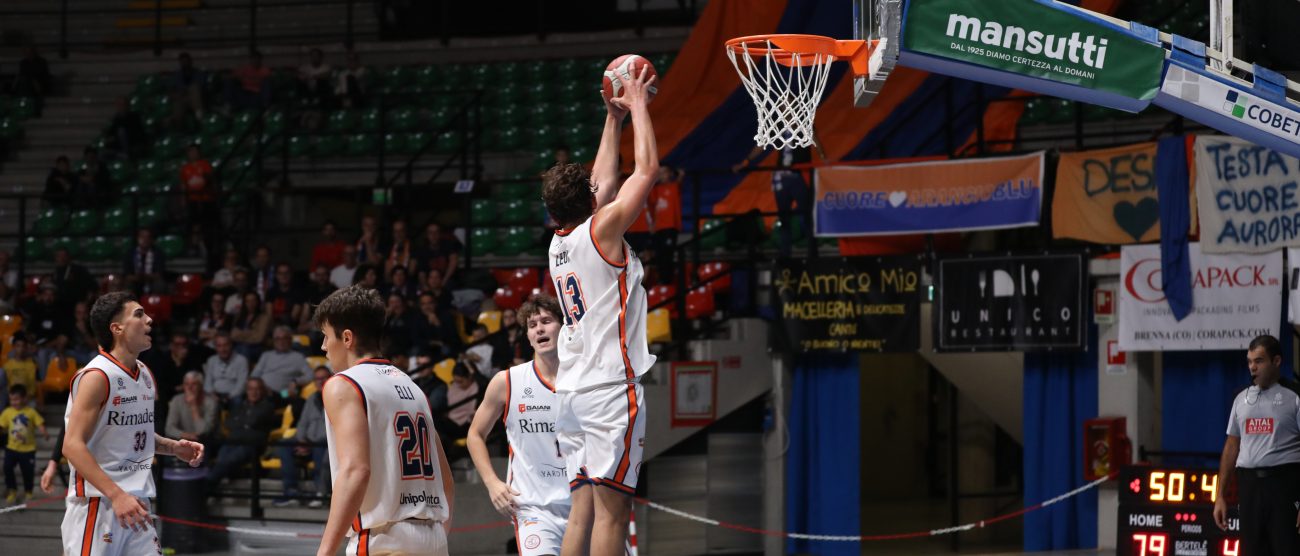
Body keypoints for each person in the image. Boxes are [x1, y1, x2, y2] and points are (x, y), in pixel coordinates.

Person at [541, 64, 657, 555]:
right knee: (613, 515)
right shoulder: (601, 231)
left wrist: (612, 120)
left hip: (571, 392)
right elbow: (645, 171)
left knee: (581, 514)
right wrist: (639, 106)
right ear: (590, 201)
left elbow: (602, 184)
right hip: (610, 390)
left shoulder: (558, 243)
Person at [59, 292, 204, 555]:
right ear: (117, 329)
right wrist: (116, 495)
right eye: (138, 314)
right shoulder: (97, 376)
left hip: (136, 503)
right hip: (99, 503)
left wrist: (173, 447)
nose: (149, 320)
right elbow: (71, 445)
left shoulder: (145, 374)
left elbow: (135, 434)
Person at [314, 285, 453, 555]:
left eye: (325, 336)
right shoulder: (413, 387)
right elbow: (446, 479)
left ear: (346, 338)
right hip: (433, 535)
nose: (322, 347)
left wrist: (325, 551)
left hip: (383, 538)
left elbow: (356, 471)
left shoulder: (343, 384)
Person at [467, 295, 569, 554]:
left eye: (547, 321)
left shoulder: (586, 378)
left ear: (564, 327)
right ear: (527, 335)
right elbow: (475, 434)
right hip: (535, 510)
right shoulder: (508, 381)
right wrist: (492, 483)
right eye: (533, 324)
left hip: (586, 502)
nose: (539, 329)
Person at [1214, 334, 1300, 555]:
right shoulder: (1240, 399)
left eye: (1259, 361)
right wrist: (1220, 496)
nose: (1252, 367)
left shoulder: (1295, 396)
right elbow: (1232, 446)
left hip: (1284, 486)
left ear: (1277, 361)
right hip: (1250, 487)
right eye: (1250, 361)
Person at [732, 130, 825, 256]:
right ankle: (786, 256)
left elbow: (815, 138)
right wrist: (746, 162)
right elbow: (762, 143)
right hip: (782, 177)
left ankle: (812, 256)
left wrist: (824, 158)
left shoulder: (803, 120)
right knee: (784, 218)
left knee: (806, 217)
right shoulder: (778, 124)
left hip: (799, 175)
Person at [273, 366, 332, 508]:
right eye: (317, 379)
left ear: (330, 378)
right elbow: (302, 423)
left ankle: (321, 493)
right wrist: (302, 440)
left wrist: (310, 443)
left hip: (325, 441)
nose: (320, 381)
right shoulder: (311, 398)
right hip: (309, 441)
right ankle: (291, 491)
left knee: (320, 447)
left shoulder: (336, 396)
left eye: (324, 378)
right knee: (284, 445)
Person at [205, 378, 276, 491]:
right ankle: (211, 485)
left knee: (227, 461)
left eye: (257, 389)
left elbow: (253, 420)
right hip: (233, 441)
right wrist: (245, 424)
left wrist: (242, 423)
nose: (254, 392)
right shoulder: (240, 406)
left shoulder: (267, 407)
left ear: (262, 391)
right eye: (251, 389)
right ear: (246, 390)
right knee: (221, 459)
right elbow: (229, 423)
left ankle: (207, 485)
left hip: (251, 445)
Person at [2, 384, 48, 503]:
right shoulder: (7, 412)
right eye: (12, 400)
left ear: (24, 398)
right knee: (7, 467)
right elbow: (2, 426)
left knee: (27, 472)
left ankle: (29, 491)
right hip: (11, 448)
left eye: (16, 399)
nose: (14, 402)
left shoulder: (30, 412)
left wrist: (44, 433)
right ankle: (12, 489)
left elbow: (39, 423)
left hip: (28, 450)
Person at [252, 326, 313, 396]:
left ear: (290, 340)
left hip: (281, 394)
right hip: (260, 391)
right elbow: (254, 375)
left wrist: (295, 381)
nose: (281, 341)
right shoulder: (266, 355)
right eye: (277, 338)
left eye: (284, 338)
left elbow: (310, 375)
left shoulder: (297, 357)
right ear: (274, 341)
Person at [164, 371, 219, 446]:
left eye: (194, 384)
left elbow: (202, 432)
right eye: (186, 384)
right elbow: (169, 429)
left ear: (201, 386)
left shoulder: (210, 403)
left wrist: (194, 406)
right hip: (180, 441)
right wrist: (187, 435)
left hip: (202, 443)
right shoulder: (177, 400)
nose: (189, 388)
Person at [203, 333, 249, 406]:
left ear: (231, 345)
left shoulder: (241, 360)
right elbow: (207, 382)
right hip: (214, 394)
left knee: (238, 401)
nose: (222, 349)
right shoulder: (211, 360)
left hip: (233, 395)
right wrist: (212, 394)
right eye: (219, 346)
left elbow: (242, 384)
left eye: (226, 345)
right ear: (215, 347)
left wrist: (229, 396)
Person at [123, 228, 166, 294]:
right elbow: (127, 274)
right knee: (128, 285)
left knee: (160, 284)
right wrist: (138, 277)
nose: (145, 239)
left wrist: (146, 276)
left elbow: (159, 274)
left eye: (148, 237)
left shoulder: (158, 253)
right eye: (142, 237)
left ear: (151, 239)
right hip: (135, 280)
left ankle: (155, 303)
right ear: (137, 238)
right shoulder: (130, 253)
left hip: (152, 280)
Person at [169, 52, 207, 124]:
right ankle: (176, 125)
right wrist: (176, 94)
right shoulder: (176, 75)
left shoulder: (199, 73)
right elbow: (171, 89)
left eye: (186, 61)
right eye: (183, 62)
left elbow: (201, 87)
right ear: (180, 63)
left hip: (195, 98)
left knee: (194, 88)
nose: (185, 63)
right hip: (181, 98)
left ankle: (200, 119)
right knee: (177, 104)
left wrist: (186, 91)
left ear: (190, 61)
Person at [3, 334, 38, 406]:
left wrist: (27, 397)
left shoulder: (31, 365)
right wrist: (13, 398)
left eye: (23, 346)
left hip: (26, 398)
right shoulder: (7, 366)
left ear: (26, 348)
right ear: (13, 347)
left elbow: (32, 384)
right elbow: (6, 386)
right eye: (18, 346)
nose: (21, 349)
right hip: (11, 398)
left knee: (33, 405)